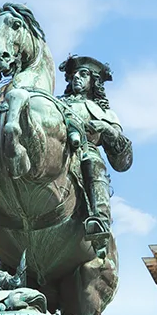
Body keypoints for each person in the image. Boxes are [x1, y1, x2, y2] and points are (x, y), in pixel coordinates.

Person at [58, 55, 133, 256]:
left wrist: (106, 130)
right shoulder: (54, 103)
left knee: (92, 160)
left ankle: (100, 220)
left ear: (94, 81)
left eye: (83, 74)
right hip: (54, 149)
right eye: (74, 75)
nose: (76, 78)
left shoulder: (103, 112)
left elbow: (123, 160)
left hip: (84, 151)